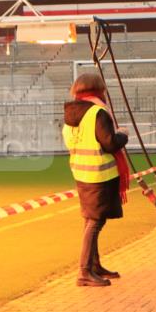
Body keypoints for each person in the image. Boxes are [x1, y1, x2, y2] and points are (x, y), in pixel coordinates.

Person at [62, 73, 130, 287]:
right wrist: (123, 135)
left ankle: (94, 265)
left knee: (90, 219)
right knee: (95, 222)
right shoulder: (97, 113)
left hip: (82, 173)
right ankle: (84, 271)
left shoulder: (71, 114)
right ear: (98, 90)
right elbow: (109, 143)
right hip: (100, 175)